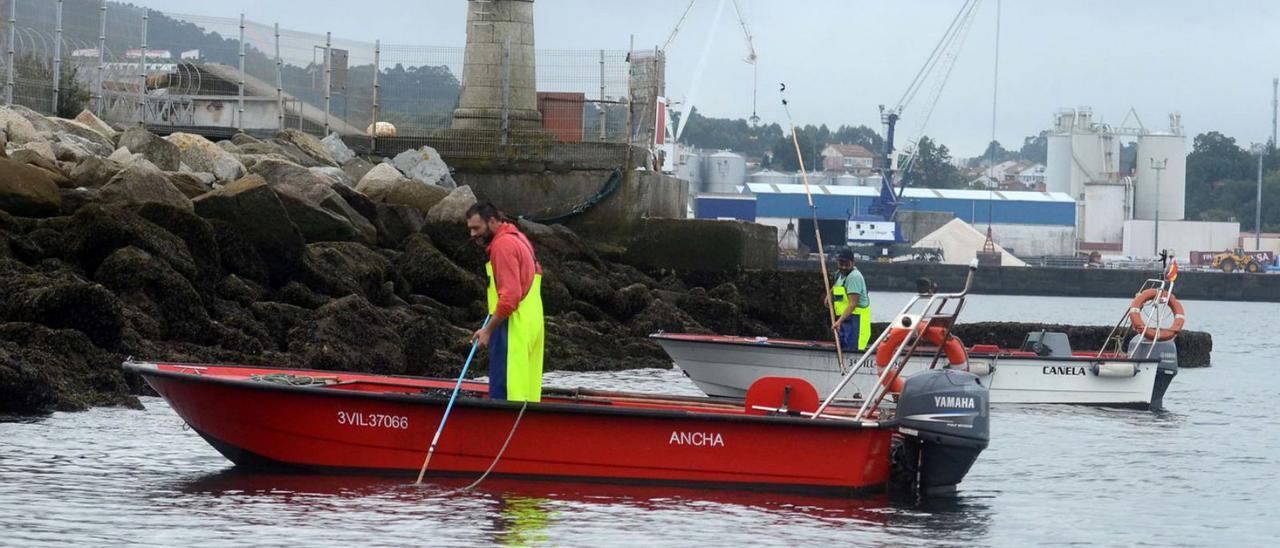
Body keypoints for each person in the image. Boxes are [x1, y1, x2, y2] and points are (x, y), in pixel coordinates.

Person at [466, 203, 545, 402]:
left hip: (512, 329)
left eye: (477, 228)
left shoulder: (502, 246)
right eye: (470, 229)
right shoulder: (520, 239)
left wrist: (487, 330)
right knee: (526, 395)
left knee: (507, 396)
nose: (473, 234)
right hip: (533, 326)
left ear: (492, 221)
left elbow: (509, 299)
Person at [827, 248, 871, 351]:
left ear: (853, 263)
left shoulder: (854, 277)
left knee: (853, 350)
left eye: (847, 264)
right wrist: (829, 296)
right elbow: (835, 287)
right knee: (843, 348)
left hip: (856, 323)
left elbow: (852, 304)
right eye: (841, 263)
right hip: (845, 322)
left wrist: (838, 322)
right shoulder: (840, 274)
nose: (843, 267)